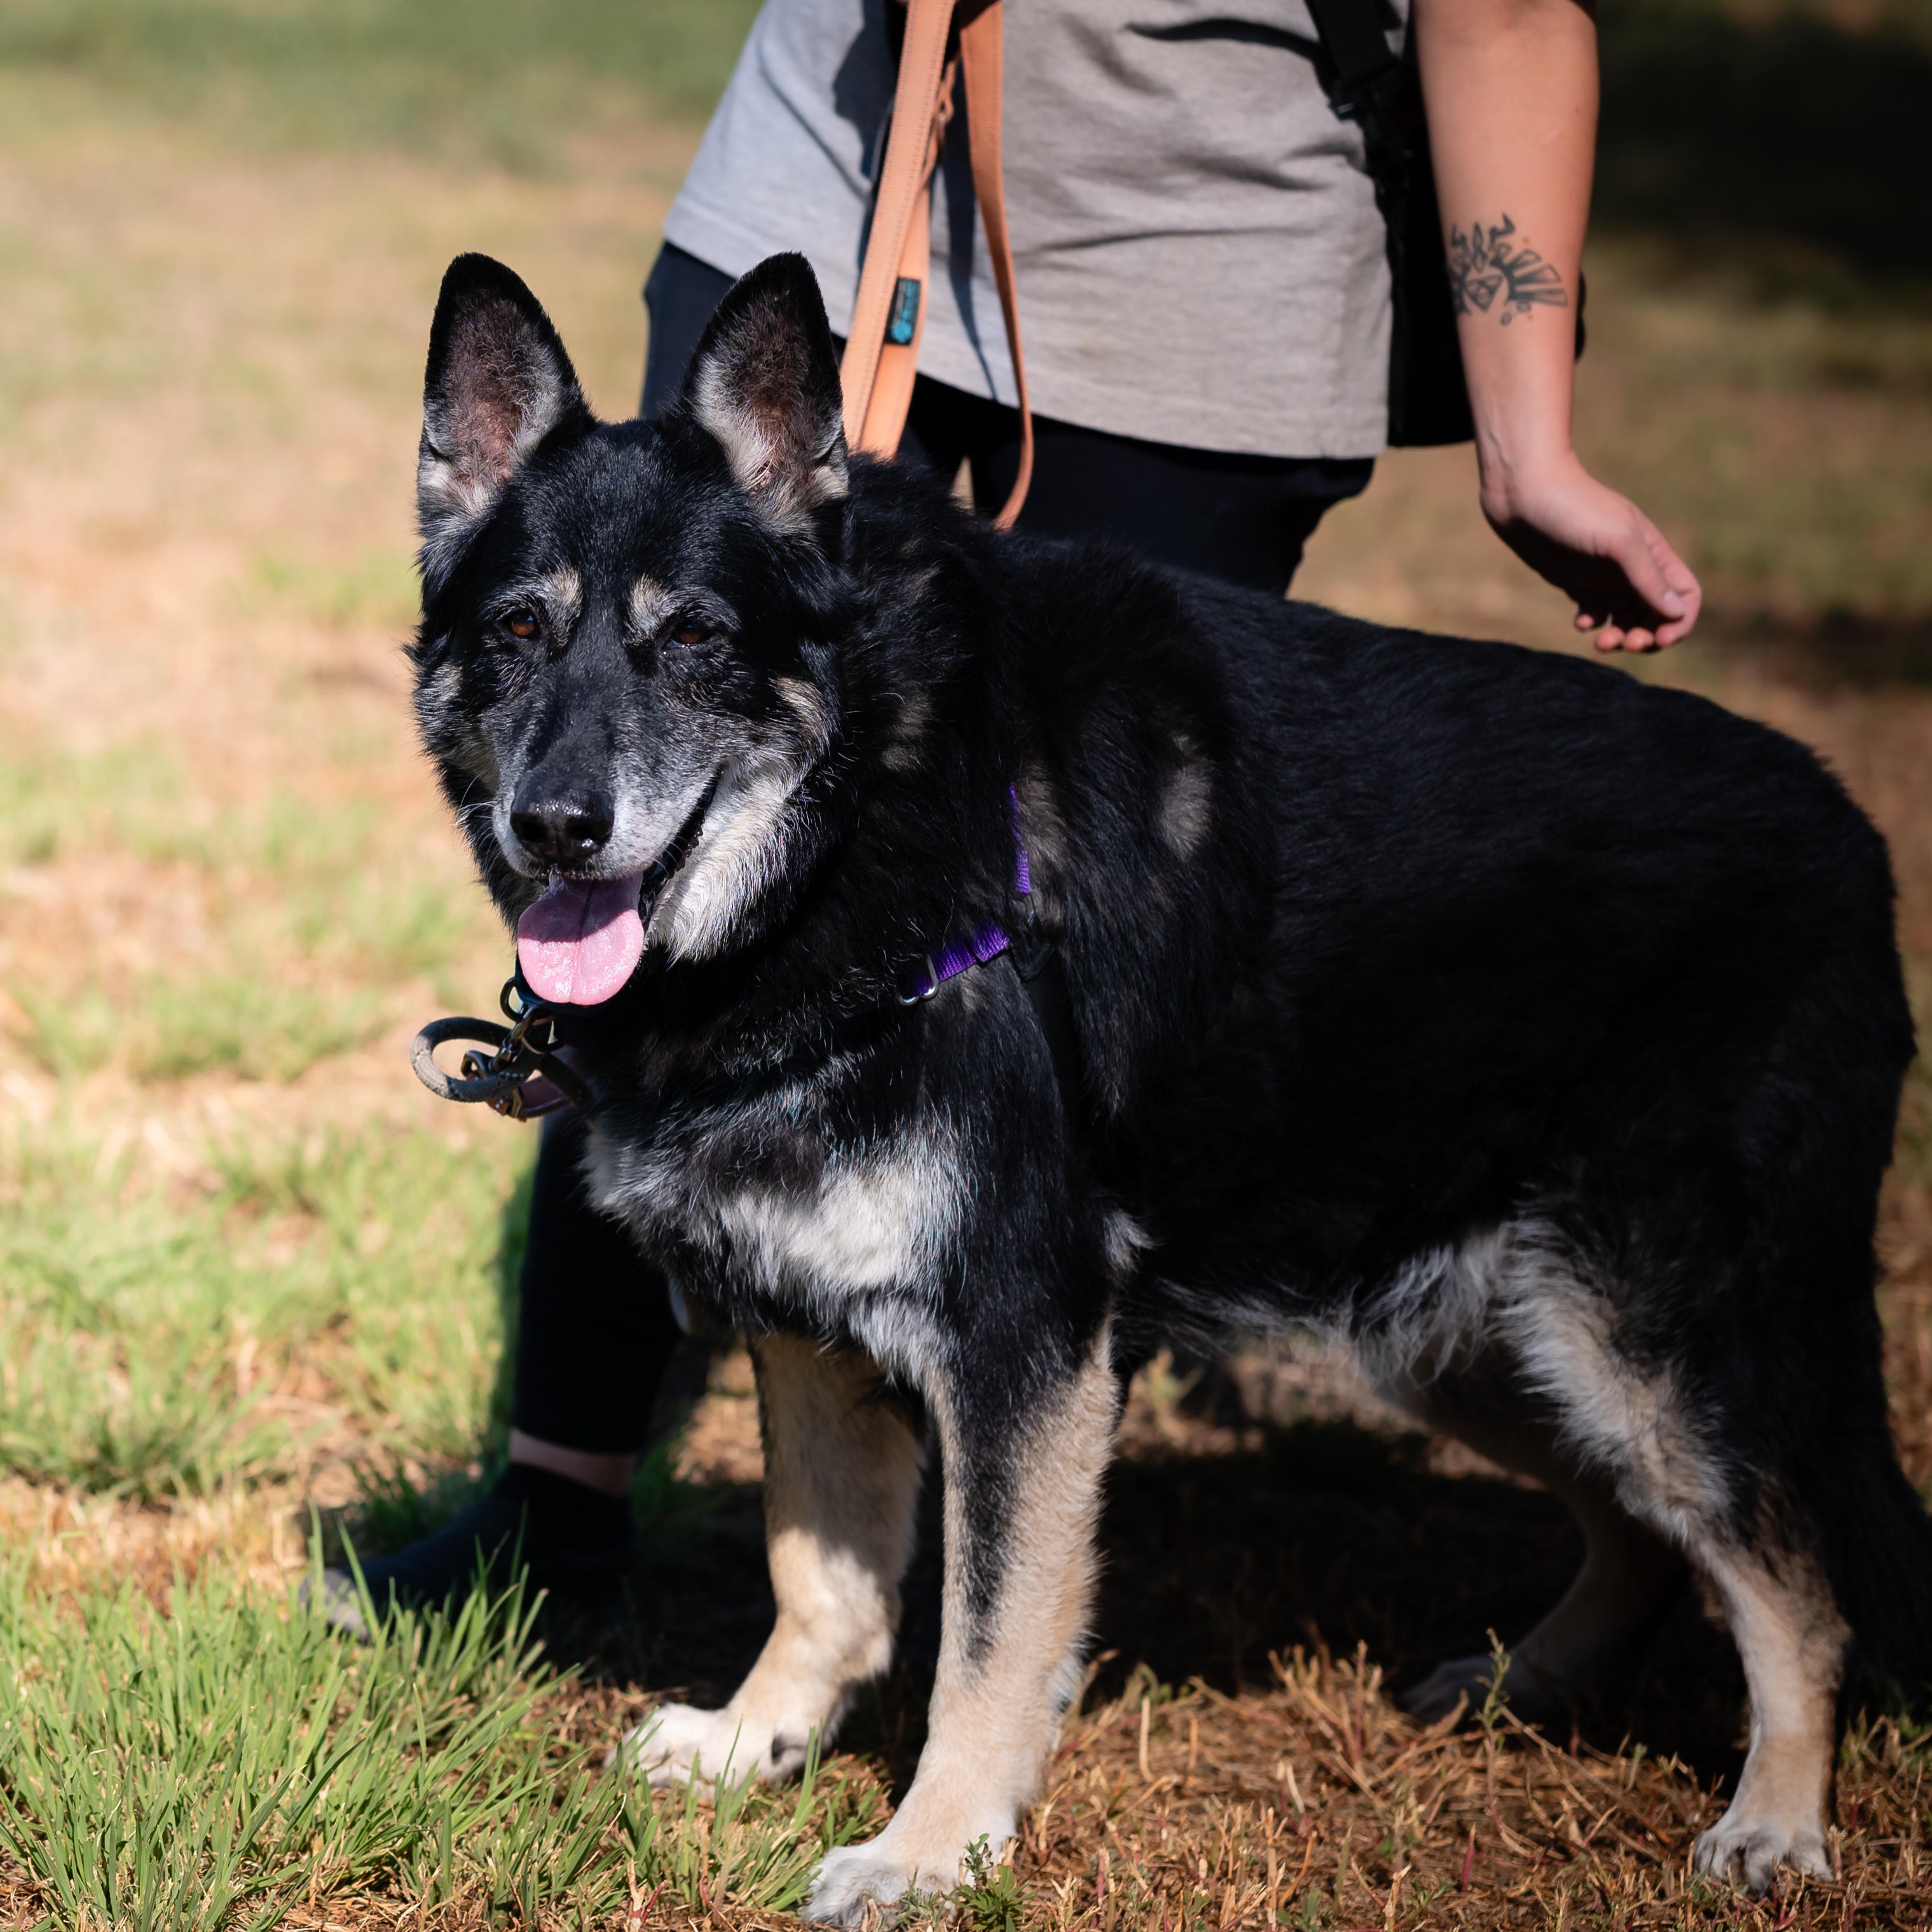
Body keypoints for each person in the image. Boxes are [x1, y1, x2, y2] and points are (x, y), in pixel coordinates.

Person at [334, 0, 1702, 1624]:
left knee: (1069, 998)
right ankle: (562, 1508)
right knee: (646, 837)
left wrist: (1527, 434)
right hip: (836, 157)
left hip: (1198, 249)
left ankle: (996, 1503)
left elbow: (1502, 11)